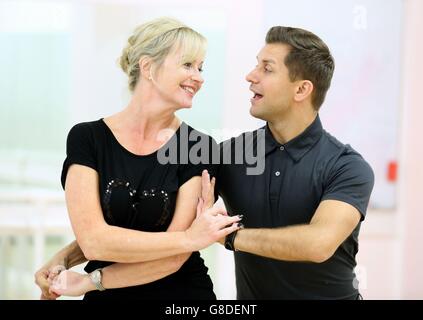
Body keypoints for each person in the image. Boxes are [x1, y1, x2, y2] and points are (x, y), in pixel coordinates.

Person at [34, 17, 241, 300]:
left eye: (201, 67)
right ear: (148, 68)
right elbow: (94, 241)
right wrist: (66, 257)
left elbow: (174, 258)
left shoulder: (200, 147)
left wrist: (89, 281)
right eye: (188, 64)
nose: (200, 76)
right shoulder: (88, 138)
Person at [214, 26, 374, 299]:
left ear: (301, 89)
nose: (250, 76)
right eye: (256, 65)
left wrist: (231, 237)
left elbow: (317, 244)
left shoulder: (347, 166)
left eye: (267, 69)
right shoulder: (228, 154)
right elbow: (177, 222)